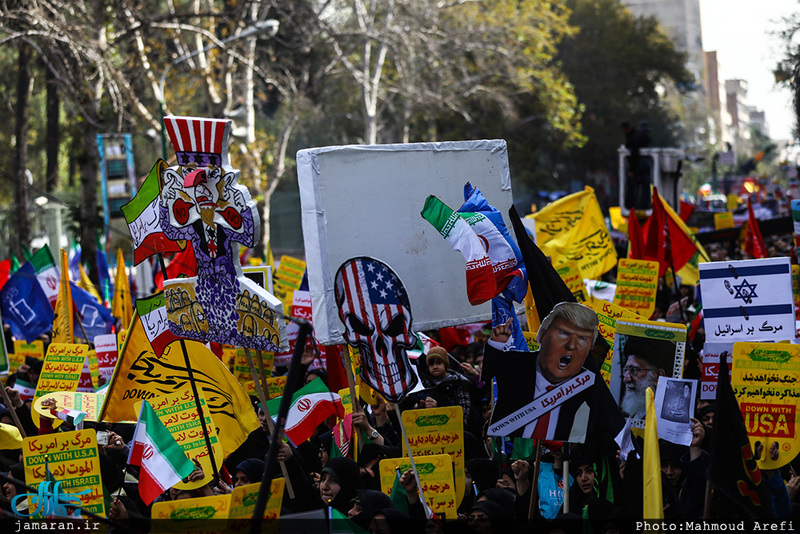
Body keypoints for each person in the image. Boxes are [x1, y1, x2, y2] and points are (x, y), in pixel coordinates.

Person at [483, 302, 614, 442]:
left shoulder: (590, 387)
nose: (571, 346)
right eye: (564, 333)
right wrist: (496, 344)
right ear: (542, 335)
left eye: (583, 339)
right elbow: (485, 377)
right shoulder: (514, 364)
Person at [619, 336, 675, 419]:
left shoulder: (667, 420)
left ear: (658, 377)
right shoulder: (629, 414)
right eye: (626, 370)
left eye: (633, 370)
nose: (626, 379)